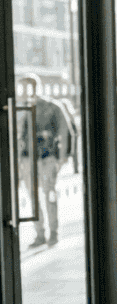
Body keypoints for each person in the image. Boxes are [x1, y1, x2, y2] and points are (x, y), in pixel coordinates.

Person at [17, 76, 73, 247]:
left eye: (26, 88)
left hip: (46, 157)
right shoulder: (21, 108)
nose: (23, 92)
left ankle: (54, 231)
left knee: (49, 194)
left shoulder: (51, 107)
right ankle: (40, 233)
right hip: (28, 159)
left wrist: (62, 157)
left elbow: (66, 131)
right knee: (33, 198)